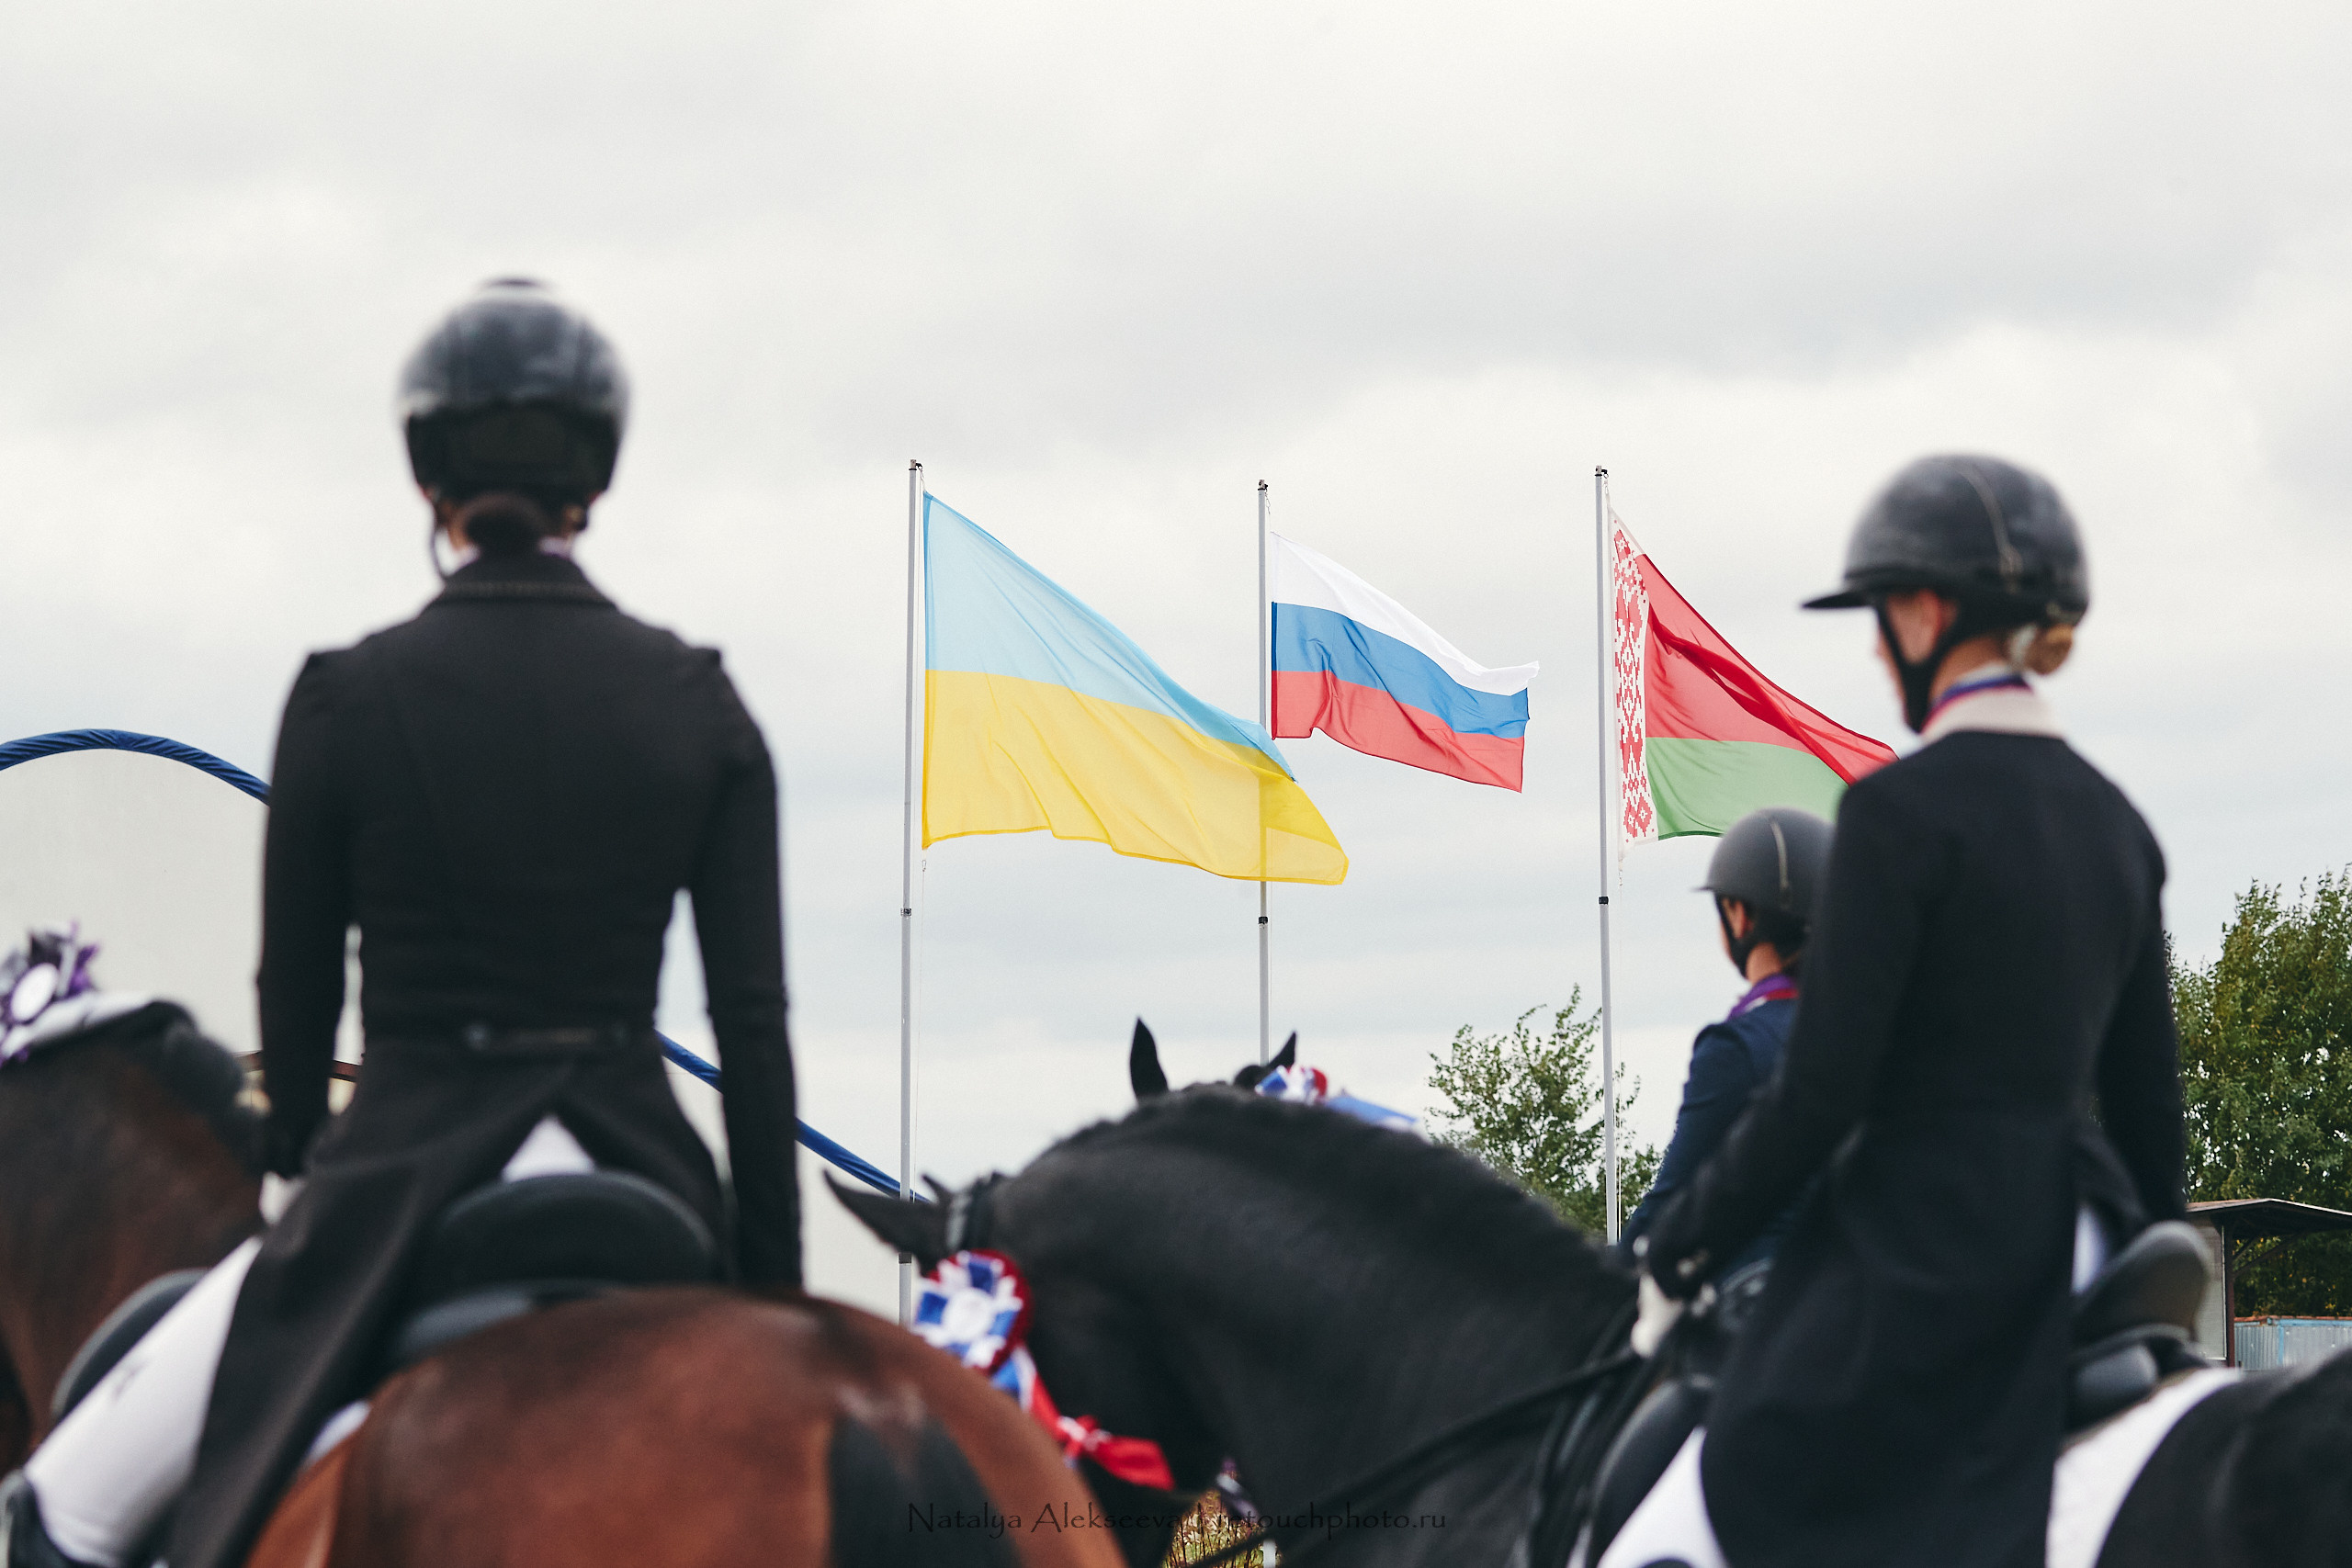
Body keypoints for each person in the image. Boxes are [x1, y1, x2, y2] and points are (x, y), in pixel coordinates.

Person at [2, 280, 803, 1568]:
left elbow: (298, 1004)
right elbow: (753, 1032)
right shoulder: (700, 705)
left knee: (64, 1514)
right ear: (591, 480)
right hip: (647, 1177)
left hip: (400, 1183)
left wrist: (303, 1155)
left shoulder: (345, 702)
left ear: (431, 478)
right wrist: (776, 1290)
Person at [1625, 455, 2184, 1568]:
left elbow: (1820, 1093)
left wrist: (1680, 1247)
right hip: (2081, 1243)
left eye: (1882, 621)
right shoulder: (2120, 826)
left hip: (1929, 1252)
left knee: (1701, 1497)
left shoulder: (1895, 816)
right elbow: (2151, 1128)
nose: (1879, 652)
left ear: (1928, 613)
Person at [1621, 807, 1833, 1293]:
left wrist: (1590, 1287)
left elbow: (1670, 1206)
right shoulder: (1871, 1033)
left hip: (1763, 1316)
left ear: (1740, 915)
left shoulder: (1738, 1048)